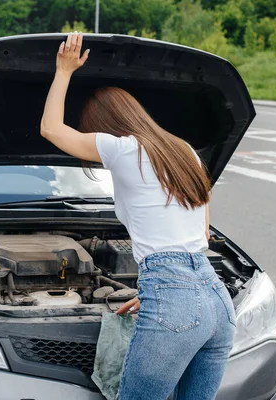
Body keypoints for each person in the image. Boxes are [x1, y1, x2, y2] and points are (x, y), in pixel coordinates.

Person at [40, 32, 236, 400]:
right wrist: (156, 294)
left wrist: (64, 71)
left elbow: (50, 129)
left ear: (101, 124)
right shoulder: (186, 152)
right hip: (216, 300)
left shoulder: (123, 148)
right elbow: (201, 235)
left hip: (176, 298)